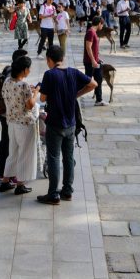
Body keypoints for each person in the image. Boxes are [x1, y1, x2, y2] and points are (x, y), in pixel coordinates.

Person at [37, 46, 97, 205]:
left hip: (55, 124)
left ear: (49, 60)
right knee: (68, 158)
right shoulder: (74, 72)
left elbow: (42, 98)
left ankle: (53, 194)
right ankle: (67, 191)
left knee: (54, 158)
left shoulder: (49, 75)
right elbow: (93, 84)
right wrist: (76, 94)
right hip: (71, 124)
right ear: (62, 58)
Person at [0, 55, 39, 195]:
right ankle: (20, 184)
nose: (30, 70)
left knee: (13, 152)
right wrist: (35, 93)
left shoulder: (7, 81)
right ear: (24, 70)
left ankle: (5, 181)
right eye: (29, 68)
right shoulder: (24, 85)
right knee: (25, 153)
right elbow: (29, 106)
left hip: (11, 122)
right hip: (24, 123)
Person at [0, 49, 28, 181]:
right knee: (10, 143)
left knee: (6, 141)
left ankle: (3, 171)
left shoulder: (9, 70)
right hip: (9, 114)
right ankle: (7, 173)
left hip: (5, 113)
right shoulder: (11, 74)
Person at [83, 16, 106, 107]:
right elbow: (88, 47)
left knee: (98, 80)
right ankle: (72, 94)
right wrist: (93, 60)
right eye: (102, 24)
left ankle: (99, 100)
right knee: (86, 82)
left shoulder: (93, 32)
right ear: (99, 23)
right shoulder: (90, 32)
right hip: (90, 62)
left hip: (95, 62)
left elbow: (93, 48)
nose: (102, 26)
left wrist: (97, 59)